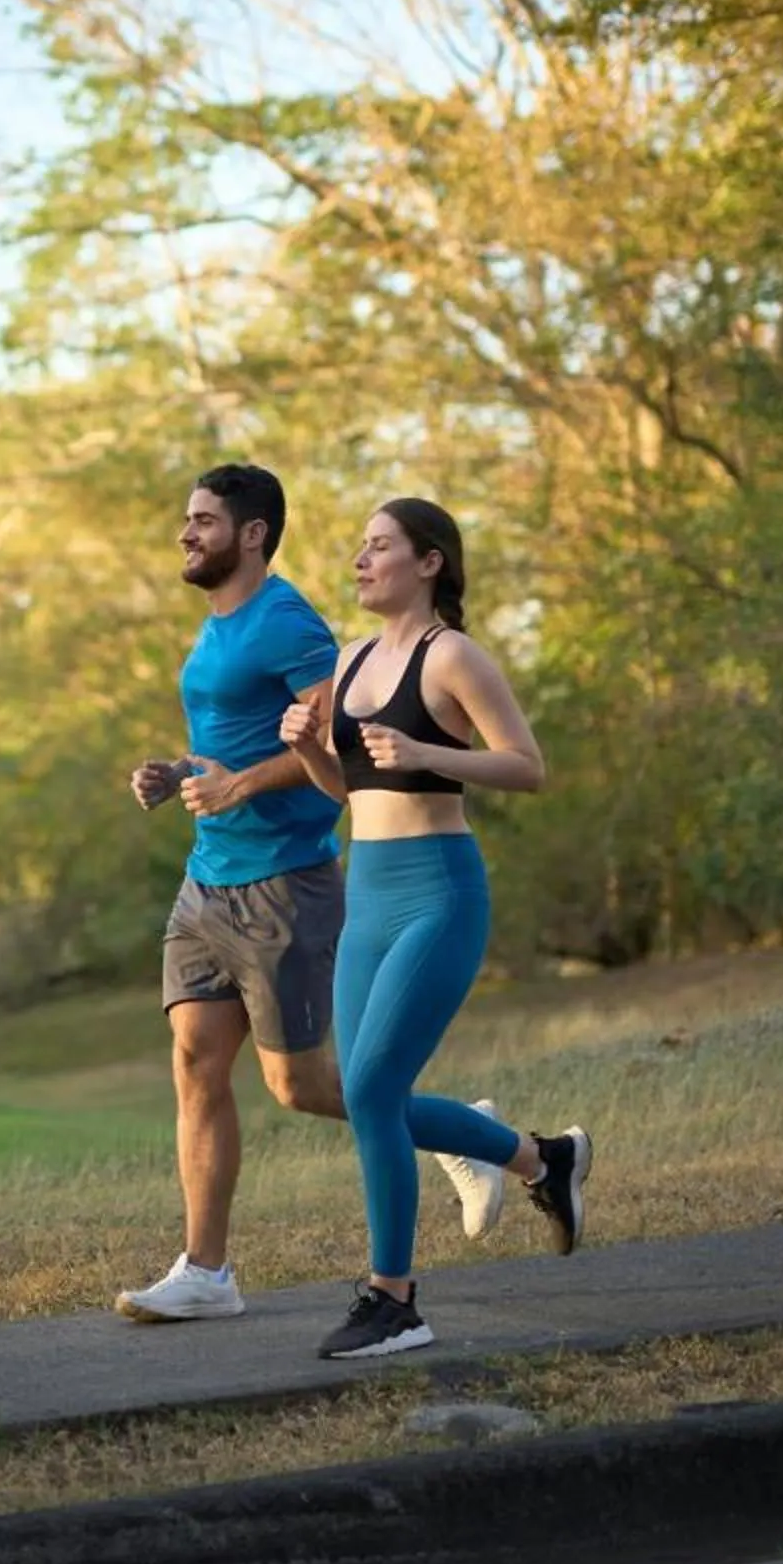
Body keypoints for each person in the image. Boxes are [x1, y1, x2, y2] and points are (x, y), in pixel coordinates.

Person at [114, 467, 508, 1320]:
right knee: (195, 1063)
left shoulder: (291, 623)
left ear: (252, 534)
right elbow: (244, 745)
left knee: (312, 1089)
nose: (186, 533)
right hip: (207, 877)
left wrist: (242, 787)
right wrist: (179, 775)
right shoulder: (215, 629)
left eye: (203, 521)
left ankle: (482, 1143)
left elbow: (333, 751)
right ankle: (206, 1274)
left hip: (283, 881)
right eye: (186, 518)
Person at [279, 498, 592, 1360]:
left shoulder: (452, 655)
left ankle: (395, 1300)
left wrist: (429, 755)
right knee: (363, 1091)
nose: (360, 558)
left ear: (429, 562)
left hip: (439, 894)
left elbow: (526, 767)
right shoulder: (347, 663)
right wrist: (308, 745)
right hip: (367, 895)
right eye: (359, 546)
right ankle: (538, 1159)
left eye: (379, 545)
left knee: (375, 1089)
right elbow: (350, 792)